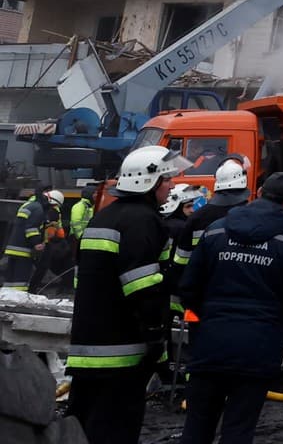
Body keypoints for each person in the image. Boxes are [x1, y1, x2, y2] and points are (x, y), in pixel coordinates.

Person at [177, 171, 283, 444]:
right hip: (260, 346)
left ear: (260, 192)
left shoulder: (217, 229)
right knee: (239, 428)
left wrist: (206, 319)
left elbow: (189, 285)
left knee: (197, 425)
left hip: (211, 343)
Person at [68, 144, 184, 444]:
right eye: (167, 179)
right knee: (116, 428)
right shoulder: (144, 221)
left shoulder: (103, 218)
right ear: (149, 181)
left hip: (87, 347)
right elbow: (143, 288)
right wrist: (157, 335)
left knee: (82, 425)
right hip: (122, 351)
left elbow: (85, 284)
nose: (171, 185)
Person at [4, 188, 62, 293]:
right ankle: (19, 299)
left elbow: (24, 224)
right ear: (50, 201)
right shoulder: (38, 209)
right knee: (21, 278)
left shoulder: (30, 205)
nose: (52, 208)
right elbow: (31, 228)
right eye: (53, 206)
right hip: (23, 249)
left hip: (14, 246)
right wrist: (36, 243)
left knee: (11, 277)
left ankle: (7, 297)